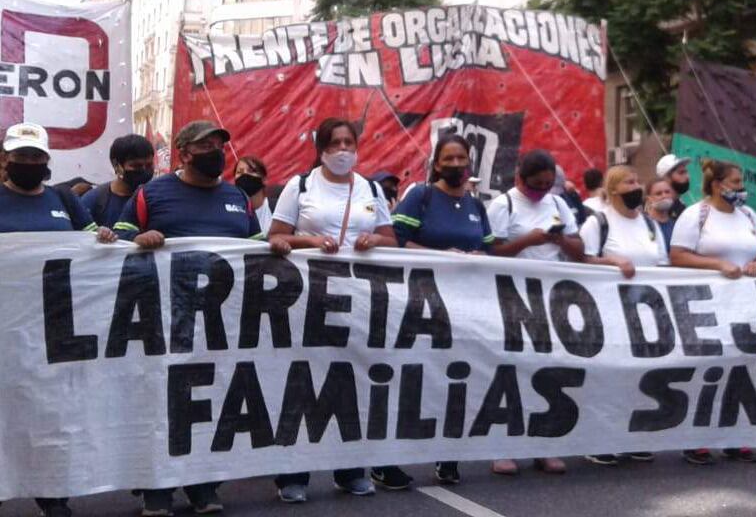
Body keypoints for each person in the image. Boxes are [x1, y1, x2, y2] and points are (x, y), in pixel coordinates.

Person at [114, 120, 271, 516]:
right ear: (183, 152)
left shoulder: (237, 197)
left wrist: (277, 247)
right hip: (164, 322)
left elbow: (255, 250)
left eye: (220, 143)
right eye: (206, 145)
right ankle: (157, 488)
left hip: (223, 326)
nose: (216, 151)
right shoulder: (151, 193)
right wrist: (137, 239)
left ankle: (203, 483)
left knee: (213, 404)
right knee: (161, 403)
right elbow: (114, 240)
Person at [266, 118, 396, 502]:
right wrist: (309, 240)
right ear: (321, 147)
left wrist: (375, 238)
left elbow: (391, 238)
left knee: (350, 384)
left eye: (348, 142)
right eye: (335, 142)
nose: (343, 150)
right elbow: (275, 235)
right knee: (300, 384)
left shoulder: (370, 188)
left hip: (358, 299)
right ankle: (292, 474)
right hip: (306, 298)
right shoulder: (300, 185)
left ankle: (351, 469)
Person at [0, 123, 116, 517]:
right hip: (6, 329)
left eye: (35, 156)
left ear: (47, 161)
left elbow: (88, 238)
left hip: (54, 328)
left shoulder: (64, 200)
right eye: (21, 156)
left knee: (51, 411)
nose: (28, 163)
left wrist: (101, 238)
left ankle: (53, 495)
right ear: (7, 160)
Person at [390, 133, 496, 487]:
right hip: (419, 305)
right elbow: (397, 242)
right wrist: (441, 256)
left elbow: (489, 249)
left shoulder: (476, 205)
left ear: (469, 163)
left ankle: (447, 455)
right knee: (414, 381)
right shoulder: (420, 197)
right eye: (447, 159)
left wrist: (480, 256)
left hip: (465, 309)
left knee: (457, 381)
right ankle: (389, 458)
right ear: (436, 164)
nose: (455, 165)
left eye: (460, 159)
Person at [485, 149, 584, 476]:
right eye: (535, 185)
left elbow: (579, 248)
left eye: (547, 184)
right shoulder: (504, 205)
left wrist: (560, 241)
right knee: (512, 372)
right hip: (511, 297)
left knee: (548, 372)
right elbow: (491, 251)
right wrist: (526, 240)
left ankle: (544, 445)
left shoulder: (558, 204)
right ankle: (503, 446)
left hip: (552, 297)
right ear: (519, 179)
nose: (541, 191)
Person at [669, 159, 756, 466]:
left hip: (746, 304)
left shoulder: (748, 214)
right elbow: (678, 256)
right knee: (707, 369)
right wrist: (718, 265)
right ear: (717, 184)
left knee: (742, 369)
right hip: (706, 305)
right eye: (736, 183)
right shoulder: (696, 215)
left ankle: (735, 436)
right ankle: (696, 438)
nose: (742, 189)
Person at [580, 166, 666, 467]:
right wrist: (612, 261)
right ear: (613, 189)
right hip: (608, 313)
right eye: (630, 182)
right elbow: (582, 261)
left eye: (638, 180)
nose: (637, 186)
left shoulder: (651, 225)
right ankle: (599, 438)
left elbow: (664, 266)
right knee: (608, 375)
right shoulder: (598, 223)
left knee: (639, 375)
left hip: (645, 315)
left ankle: (632, 437)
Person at [81, 134, 155, 229]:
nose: (144, 170)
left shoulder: (158, 196)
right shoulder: (94, 200)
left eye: (149, 165)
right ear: (116, 165)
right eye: (136, 166)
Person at [234, 155, 272, 234]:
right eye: (239, 172)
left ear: (263, 179)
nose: (244, 175)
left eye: (251, 171)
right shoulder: (231, 210)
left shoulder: (277, 206)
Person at [655, 154, 691, 219]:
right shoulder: (658, 207)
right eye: (681, 173)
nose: (687, 177)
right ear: (666, 178)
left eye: (686, 172)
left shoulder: (681, 207)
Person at [644, 177, 677, 249]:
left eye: (667, 192)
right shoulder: (644, 224)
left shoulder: (676, 225)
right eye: (658, 194)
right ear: (649, 199)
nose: (664, 196)